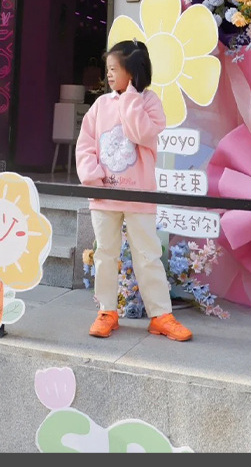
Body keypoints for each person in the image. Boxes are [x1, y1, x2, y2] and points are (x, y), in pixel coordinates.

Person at [75, 39, 193, 341]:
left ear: (133, 71)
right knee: (105, 254)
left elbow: (140, 133)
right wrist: (92, 176)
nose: (109, 74)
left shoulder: (149, 103)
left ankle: (161, 315)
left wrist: (130, 98)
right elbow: (85, 145)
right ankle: (107, 311)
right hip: (105, 194)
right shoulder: (100, 105)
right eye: (108, 69)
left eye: (114, 69)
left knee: (147, 255)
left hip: (140, 195)